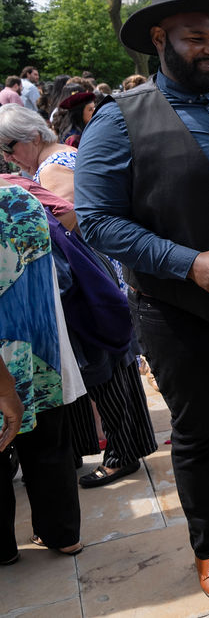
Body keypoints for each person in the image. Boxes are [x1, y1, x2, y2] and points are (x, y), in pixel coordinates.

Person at [74, 0, 209, 608]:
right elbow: (97, 220)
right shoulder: (119, 120)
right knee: (196, 435)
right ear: (160, 40)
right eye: (197, 38)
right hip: (178, 311)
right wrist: (185, 262)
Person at [0, 104, 157, 488]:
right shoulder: (43, 167)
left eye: (9, 146)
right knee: (102, 365)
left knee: (105, 365)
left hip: (82, 280)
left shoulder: (50, 168)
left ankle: (124, 451)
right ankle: (110, 447)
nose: (6, 155)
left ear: (33, 137)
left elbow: (76, 218)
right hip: (82, 277)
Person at [0, 180, 83, 562]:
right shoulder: (20, 200)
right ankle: (63, 534)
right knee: (49, 443)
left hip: (8, 359)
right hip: (40, 350)